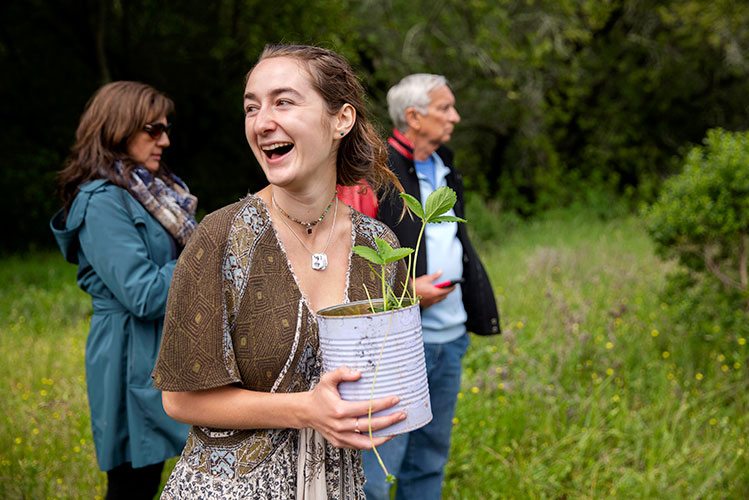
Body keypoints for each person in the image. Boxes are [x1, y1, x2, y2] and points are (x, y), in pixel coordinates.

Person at [151, 44, 408, 499]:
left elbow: (382, 378)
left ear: (341, 120)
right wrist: (305, 409)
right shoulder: (221, 237)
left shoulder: (380, 245)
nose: (262, 121)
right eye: (252, 107)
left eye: (283, 101)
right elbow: (179, 398)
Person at [50, 81, 196, 499]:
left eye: (165, 130)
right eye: (153, 129)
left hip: (160, 350)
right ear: (118, 128)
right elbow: (145, 294)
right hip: (128, 355)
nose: (164, 141)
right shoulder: (102, 201)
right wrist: (203, 254)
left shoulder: (146, 192)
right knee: (133, 483)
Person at [362, 73, 501, 500]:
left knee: (431, 457)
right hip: (404, 340)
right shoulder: (377, 170)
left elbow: (453, 239)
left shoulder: (445, 166)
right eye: (445, 108)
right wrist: (406, 290)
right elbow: (355, 254)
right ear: (413, 117)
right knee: (379, 463)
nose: (454, 117)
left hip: (450, 336)